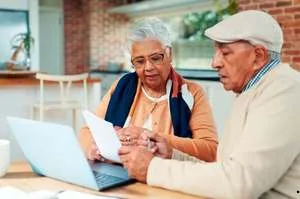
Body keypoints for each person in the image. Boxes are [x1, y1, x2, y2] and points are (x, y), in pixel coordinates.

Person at [118, 10, 300, 199]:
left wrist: (152, 169)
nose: (214, 63)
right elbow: (223, 171)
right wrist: (172, 154)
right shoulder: (252, 92)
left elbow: (238, 184)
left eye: (226, 53)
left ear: (259, 56)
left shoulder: (286, 90)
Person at [78, 17, 218, 162]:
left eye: (156, 58)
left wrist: (151, 136)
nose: (148, 67)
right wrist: (92, 148)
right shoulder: (122, 85)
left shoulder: (193, 93)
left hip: (163, 177)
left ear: (169, 54)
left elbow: (210, 149)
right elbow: (87, 131)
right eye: (139, 61)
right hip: (119, 172)